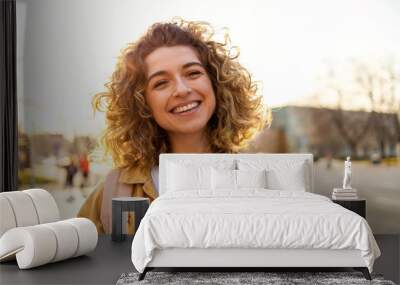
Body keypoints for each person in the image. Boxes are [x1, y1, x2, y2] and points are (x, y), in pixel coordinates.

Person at [78, 19, 269, 234]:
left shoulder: (260, 178)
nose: (181, 89)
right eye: (161, 83)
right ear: (143, 103)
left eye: (193, 73)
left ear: (215, 83)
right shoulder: (112, 191)